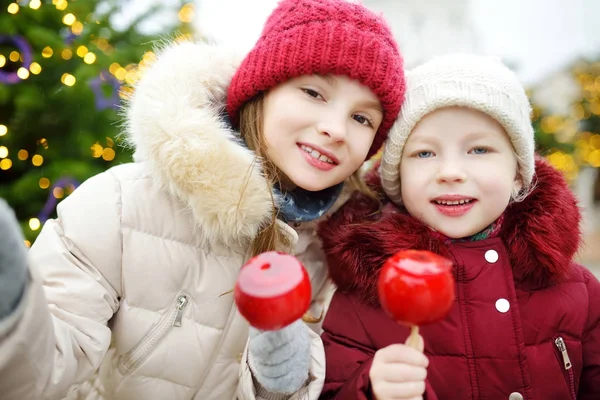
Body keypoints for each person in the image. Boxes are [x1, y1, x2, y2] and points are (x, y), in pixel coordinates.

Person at [0, 0, 405, 398]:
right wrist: (12, 306)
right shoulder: (120, 205)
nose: (336, 128)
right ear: (261, 89)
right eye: (314, 92)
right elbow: (37, 375)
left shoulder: (336, 254)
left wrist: (280, 376)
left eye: (361, 118)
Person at [317, 54, 600, 400]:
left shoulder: (578, 290)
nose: (450, 171)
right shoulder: (366, 294)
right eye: (424, 153)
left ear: (516, 175)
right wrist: (369, 388)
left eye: (479, 149)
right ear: (398, 179)